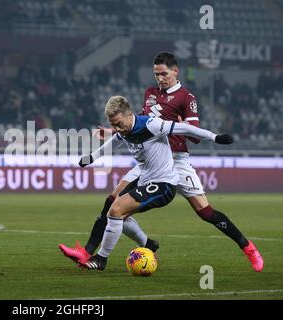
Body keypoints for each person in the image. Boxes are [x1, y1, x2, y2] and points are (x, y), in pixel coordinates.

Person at [61, 52, 264, 272]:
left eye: (164, 74)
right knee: (113, 202)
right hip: (150, 160)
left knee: (205, 212)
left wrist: (200, 132)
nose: (160, 78)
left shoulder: (187, 98)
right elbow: (135, 123)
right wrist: (113, 131)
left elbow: (193, 134)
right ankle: (89, 252)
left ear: (175, 71)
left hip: (177, 160)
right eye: (156, 74)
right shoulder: (150, 94)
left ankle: (248, 248)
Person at [76, 95, 234, 270]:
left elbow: (185, 129)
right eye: (113, 125)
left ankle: (101, 259)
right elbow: (114, 142)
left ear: (129, 115)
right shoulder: (124, 131)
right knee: (117, 215)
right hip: (145, 181)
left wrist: (215, 138)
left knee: (116, 209)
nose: (116, 128)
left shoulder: (151, 124)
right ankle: (147, 244)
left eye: (119, 123)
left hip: (163, 184)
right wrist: (92, 157)